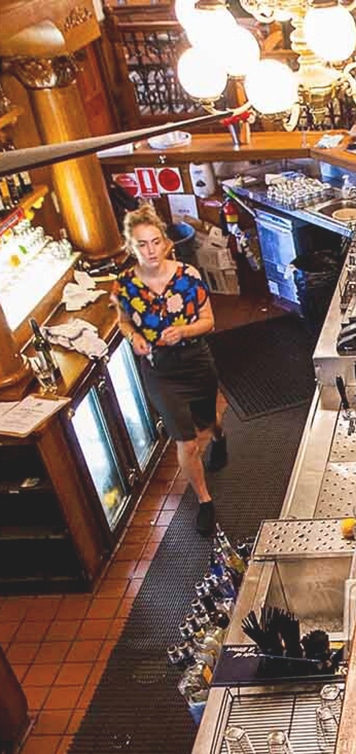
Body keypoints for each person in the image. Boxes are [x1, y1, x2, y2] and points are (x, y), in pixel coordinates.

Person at [111, 205, 227, 536]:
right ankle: (205, 500)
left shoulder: (188, 277)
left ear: (166, 243)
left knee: (208, 420)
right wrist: (134, 336)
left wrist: (184, 331)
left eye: (155, 242)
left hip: (195, 361)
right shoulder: (125, 286)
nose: (150, 250)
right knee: (187, 441)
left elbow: (209, 321)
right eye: (142, 244)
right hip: (160, 370)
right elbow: (122, 319)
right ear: (131, 248)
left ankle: (220, 436)